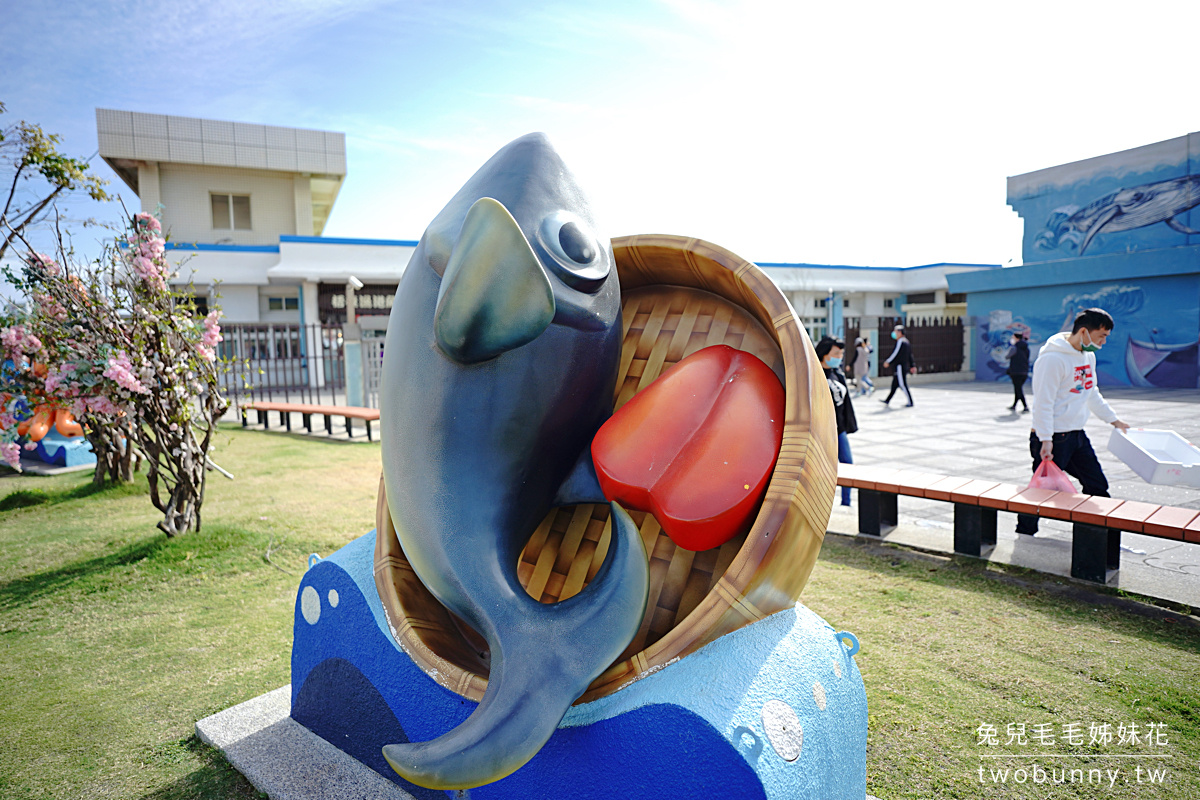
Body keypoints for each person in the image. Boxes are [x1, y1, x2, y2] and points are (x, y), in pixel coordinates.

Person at [1015, 308, 1130, 535]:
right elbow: (1043, 402)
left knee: (1097, 485)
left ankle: (1097, 534)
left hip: (1076, 435)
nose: (1104, 342)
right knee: (1042, 490)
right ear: (1084, 332)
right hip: (1054, 437)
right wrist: (1045, 439)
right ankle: (1025, 534)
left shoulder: (1088, 355)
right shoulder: (1052, 359)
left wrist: (1114, 420)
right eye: (1102, 336)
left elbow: (1091, 392)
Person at [816, 336, 857, 506]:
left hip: (839, 430)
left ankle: (846, 502)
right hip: (822, 432)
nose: (839, 357)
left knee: (848, 465)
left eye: (841, 353)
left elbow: (845, 404)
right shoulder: (814, 374)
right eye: (836, 353)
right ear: (825, 354)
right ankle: (821, 503)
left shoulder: (837, 374)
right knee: (822, 469)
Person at [879, 324, 915, 407]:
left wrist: (888, 361)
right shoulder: (906, 341)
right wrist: (912, 365)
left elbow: (895, 353)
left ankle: (910, 402)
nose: (894, 333)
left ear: (900, 332)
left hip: (900, 366)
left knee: (902, 384)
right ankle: (887, 400)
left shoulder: (901, 342)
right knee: (894, 384)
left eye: (896, 331)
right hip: (901, 366)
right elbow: (910, 355)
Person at [1006, 332, 1030, 412]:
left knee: (1018, 389)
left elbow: (1007, 356)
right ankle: (1014, 405)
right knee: (1018, 388)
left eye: (1013, 337)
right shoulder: (1026, 348)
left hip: (1015, 371)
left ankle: (1025, 406)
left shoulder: (1014, 348)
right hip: (1024, 371)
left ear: (1017, 338)